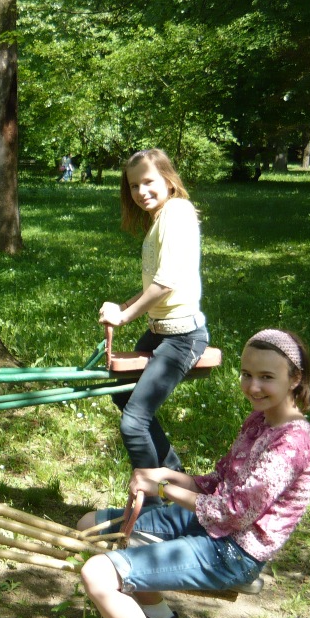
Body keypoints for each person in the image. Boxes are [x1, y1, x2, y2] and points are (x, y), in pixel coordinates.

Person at [77, 329, 310, 618]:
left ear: (296, 378)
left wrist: (165, 490)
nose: (253, 386)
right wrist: (169, 476)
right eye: (246, 374)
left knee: (97, 573)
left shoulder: (294, 443)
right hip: (211, 525)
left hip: (234, 551)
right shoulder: (259, 422)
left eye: (266, 377)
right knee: (91, 525)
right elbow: (220, 481)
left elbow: (234, 512)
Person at [99, 149, 207, 493]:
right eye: (134, 186)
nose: (141, 191)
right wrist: (123, 305)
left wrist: (124, 316)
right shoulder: (162, 217)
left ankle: (152, 506)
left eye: (148, 181)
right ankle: (175, 478)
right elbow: (155, 284)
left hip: (182, 337)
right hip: (160, 333)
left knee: (134, 423)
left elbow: (166, 283)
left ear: (168, 180)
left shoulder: (177, 213)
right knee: (123, 393)